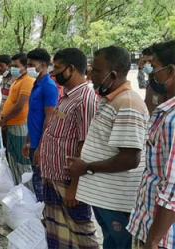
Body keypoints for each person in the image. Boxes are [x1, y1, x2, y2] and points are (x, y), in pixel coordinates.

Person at [67, 46, 149, 249]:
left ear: (112, 74)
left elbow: (130, 158)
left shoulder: (128, 103)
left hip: (118, 200)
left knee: (120, 244)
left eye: (96, 70)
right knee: (111, 242)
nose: (90, 75)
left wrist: (86, 167)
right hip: (105, 197)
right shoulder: (111, 99)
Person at [38, 48, 98, 248]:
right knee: (57, 232)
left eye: (58, 67)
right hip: (53, 176)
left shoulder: (85, 98)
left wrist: (75, 187)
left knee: (81, 234)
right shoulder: (67, 96)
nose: (53, 72)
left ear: (71, 69)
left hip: (68, 181)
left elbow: (85, 144)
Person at [128, 40, 175, 249]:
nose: (151, 73)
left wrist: (153, 241)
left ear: (171, 71)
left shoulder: (173, 119)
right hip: (151, 227)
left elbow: (173, 189)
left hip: (161, 238)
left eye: (155, 68)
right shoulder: (166, 111)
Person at [23, 48, 59, 201]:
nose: (29, 67)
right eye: (28, 64)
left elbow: (49, 119)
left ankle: (43, 220)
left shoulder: (49, 86)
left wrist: (40, 147)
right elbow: (33, 115)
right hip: (33, 141)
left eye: (32, 64)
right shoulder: (36, 84)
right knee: (36, 181)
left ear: (44, 64)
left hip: (41, 145)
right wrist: (28, 141)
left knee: (40, 186)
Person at [0, 53, 34, 186]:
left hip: (19, 125)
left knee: (21, 161)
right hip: (11, 124)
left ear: (25, 66)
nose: (13, 68)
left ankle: (26, 191)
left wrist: (5, 119)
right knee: (12, 158)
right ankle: (17, 188)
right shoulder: (17, 81)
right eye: (12, 65)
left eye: (16, 66)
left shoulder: (28, 81)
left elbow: (20, 106)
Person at [141, 46, 168, 115]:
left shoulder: (166, 85)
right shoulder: (151, 84)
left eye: (150, 61)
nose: (147, 65)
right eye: (144, 62)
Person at [0, 54, 16, 148]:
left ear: (8, 66)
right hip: (3, 116)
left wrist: (6, 118)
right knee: (5, 145)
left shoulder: (15, 79)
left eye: (1, 65)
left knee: (11, 146)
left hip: (11, 117)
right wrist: (0, 114)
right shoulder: (3, 78)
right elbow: (3, 99)